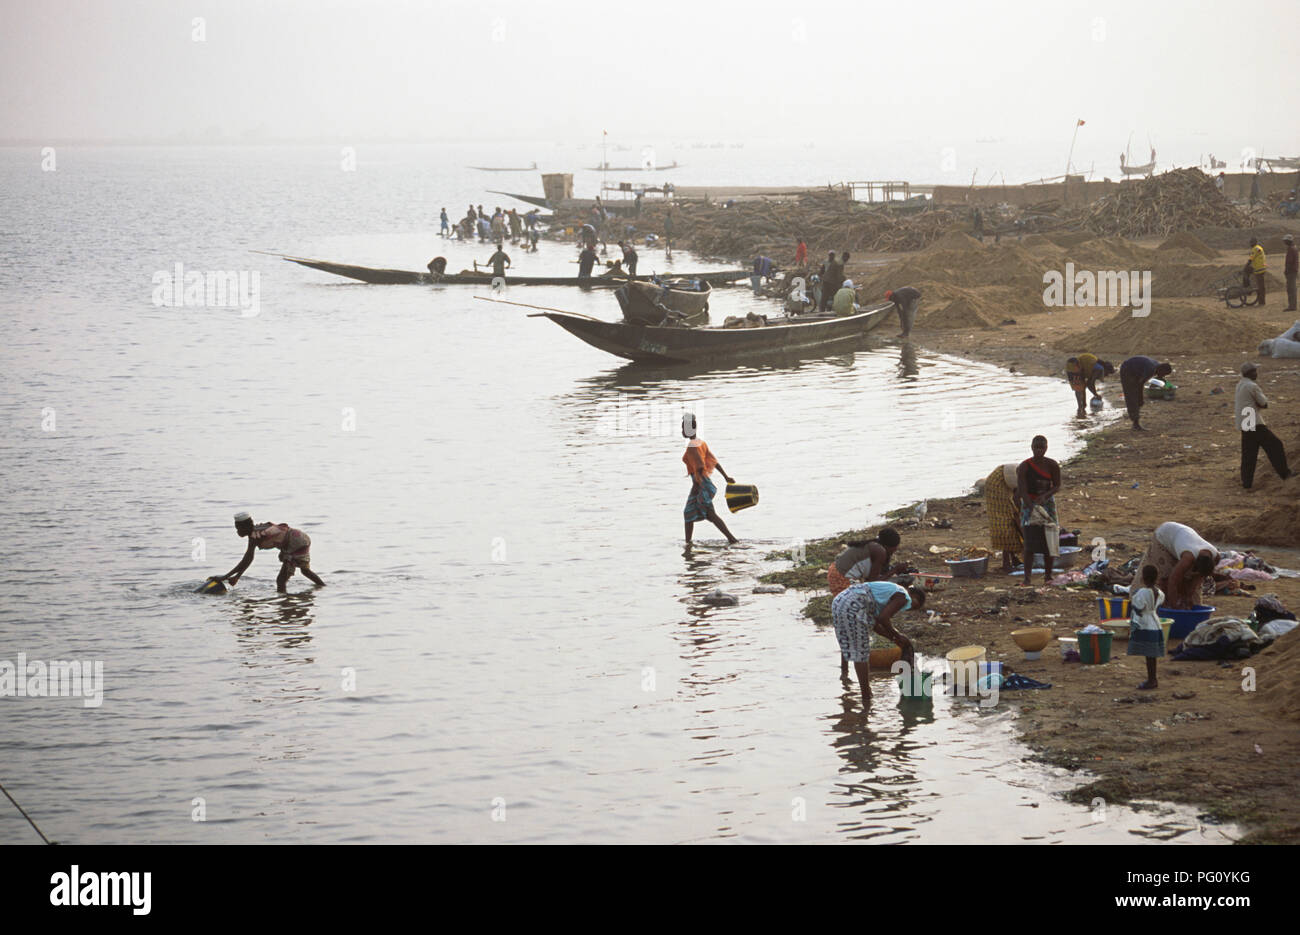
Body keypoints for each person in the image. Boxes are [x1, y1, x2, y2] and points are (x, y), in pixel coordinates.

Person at [830, 579, 925, 707]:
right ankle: (866, 698)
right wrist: (897, 635)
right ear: (913, 595)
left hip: (840, 602)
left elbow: (876, 624)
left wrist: (895, 639)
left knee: (850, 642)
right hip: (854, 605)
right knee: (861, 654)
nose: (910, 608)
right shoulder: (903, 596)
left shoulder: (890, 593)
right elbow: (883, 618)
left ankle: (845, 677)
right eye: (914, 605)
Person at [221, 512, 325, 593]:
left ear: (245, 527)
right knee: (305, 571)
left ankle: (284, 604)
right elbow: (247, 560)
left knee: (281, 581)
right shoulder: (256, 531)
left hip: (294, 543)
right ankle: (323, 587)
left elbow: (247, 560)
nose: (237, 532)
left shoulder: (255, 536)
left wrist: (225, 576)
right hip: (300, 537)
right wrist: (237, 577)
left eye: (238, 528)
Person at [681, 412, 738, 546]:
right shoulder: (700, 443)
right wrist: (726, 477)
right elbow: (714, 461)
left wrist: (697, 485)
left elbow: (700, 466)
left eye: (684, 427)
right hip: (703, 483)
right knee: (695, 514)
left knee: (704, 514)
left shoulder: (693, 446)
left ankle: (731, 539)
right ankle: (688, 544)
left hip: (700, 484)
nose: (682, 430)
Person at [1236, 362, 1293, 489]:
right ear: (1249, 373)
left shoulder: (1240, 384)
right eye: (1254, 371)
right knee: (1275, 445)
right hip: (1254, 421)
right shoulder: (1252, 386)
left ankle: (1247, 483)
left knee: (1249, 454)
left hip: (1244, 422)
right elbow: (1264, 403)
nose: (1256, 373)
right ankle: (1285, 474)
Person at [1137, 522, 1218, 610]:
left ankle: (1186, 603)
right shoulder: (1188, 558)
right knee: (1165, 577)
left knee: (1190, 589)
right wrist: (1175, 607)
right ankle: (1162, 606)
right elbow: (1172, 580)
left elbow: (1198, 579)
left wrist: (1188, 596)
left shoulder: (1216, 557)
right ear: (1194, 564)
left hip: (1183, 535)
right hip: (1165, 534)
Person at [1016, 435, 1061, 587]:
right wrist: (1031, 506)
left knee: (1049, 539)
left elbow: (1056, 486)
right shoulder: (1024, 466)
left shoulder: (1052, 465)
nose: (1038, 451)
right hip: (1029, 504)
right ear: (1031, 448)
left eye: (1041, 448)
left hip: (1047, 504)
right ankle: (1027, 578)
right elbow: (1022, 489)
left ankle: (1048, 576)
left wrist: (1044, 497)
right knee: (1029, 543)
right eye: (1036, 448)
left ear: (1046, 448)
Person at [827, 528, 902, 596]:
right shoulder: (880, 552)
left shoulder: (874, 545)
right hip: (840, 578)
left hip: (835, 571)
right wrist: (895, 570)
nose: (895, 550)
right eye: (895, 547)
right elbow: (872, 582)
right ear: (888, 546)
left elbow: (873, 574)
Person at [1127, 564, 1166, 690]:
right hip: (1155, 622)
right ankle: (1152, 678)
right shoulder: (1159, 593)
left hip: (1145, 624)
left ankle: (1151, 680)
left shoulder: (1142, 592)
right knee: (1151, 655)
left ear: (1143, 578)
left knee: (1148, 654)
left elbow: (1138, 606)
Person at [983, 462, 1023, 573]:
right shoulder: (1022, 479)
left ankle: (1014, 559)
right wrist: (1020, 513)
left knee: (1011, 521)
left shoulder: (1022, 478)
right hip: (996, 485)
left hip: (1004, 481)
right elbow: (1016, 499)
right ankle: (1006, 564)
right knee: (1005, 523)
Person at [1118, 356, 1173, 431]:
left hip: (1134, 370)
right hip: (1127, 370)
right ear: (1161, 369)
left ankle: (1135, 420)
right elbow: (1140, 384)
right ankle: (1135, 424)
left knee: (1136, 397)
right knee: (1132, 396)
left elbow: (1142, 380)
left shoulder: (1156, 366)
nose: (1163, 376)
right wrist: (1140, 397)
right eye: (1164, 373)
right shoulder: (1151, 369)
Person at [1249, 237, 1267, 306]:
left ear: (1254, 242)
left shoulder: (1256, 248)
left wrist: (1246, 265)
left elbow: (1251, 258)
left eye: (1251, 242)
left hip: (1259, 269)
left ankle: (1262, 302)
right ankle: (1261, 301)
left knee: (1261, 287)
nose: (1250, 244)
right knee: (1260, 286)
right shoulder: (1258, 248)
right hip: (1259, 269)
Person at [1284, 233, 1297, 312]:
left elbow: (1289, 262)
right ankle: (1292, 305)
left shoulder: (1291, 249)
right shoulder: (1293, 248)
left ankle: (1292, 306)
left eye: (1285, 241)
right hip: (1293, 271)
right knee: (1292, 288)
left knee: (1291, 288)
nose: (1284, 242)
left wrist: (1286, 270)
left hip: (1291, 271)